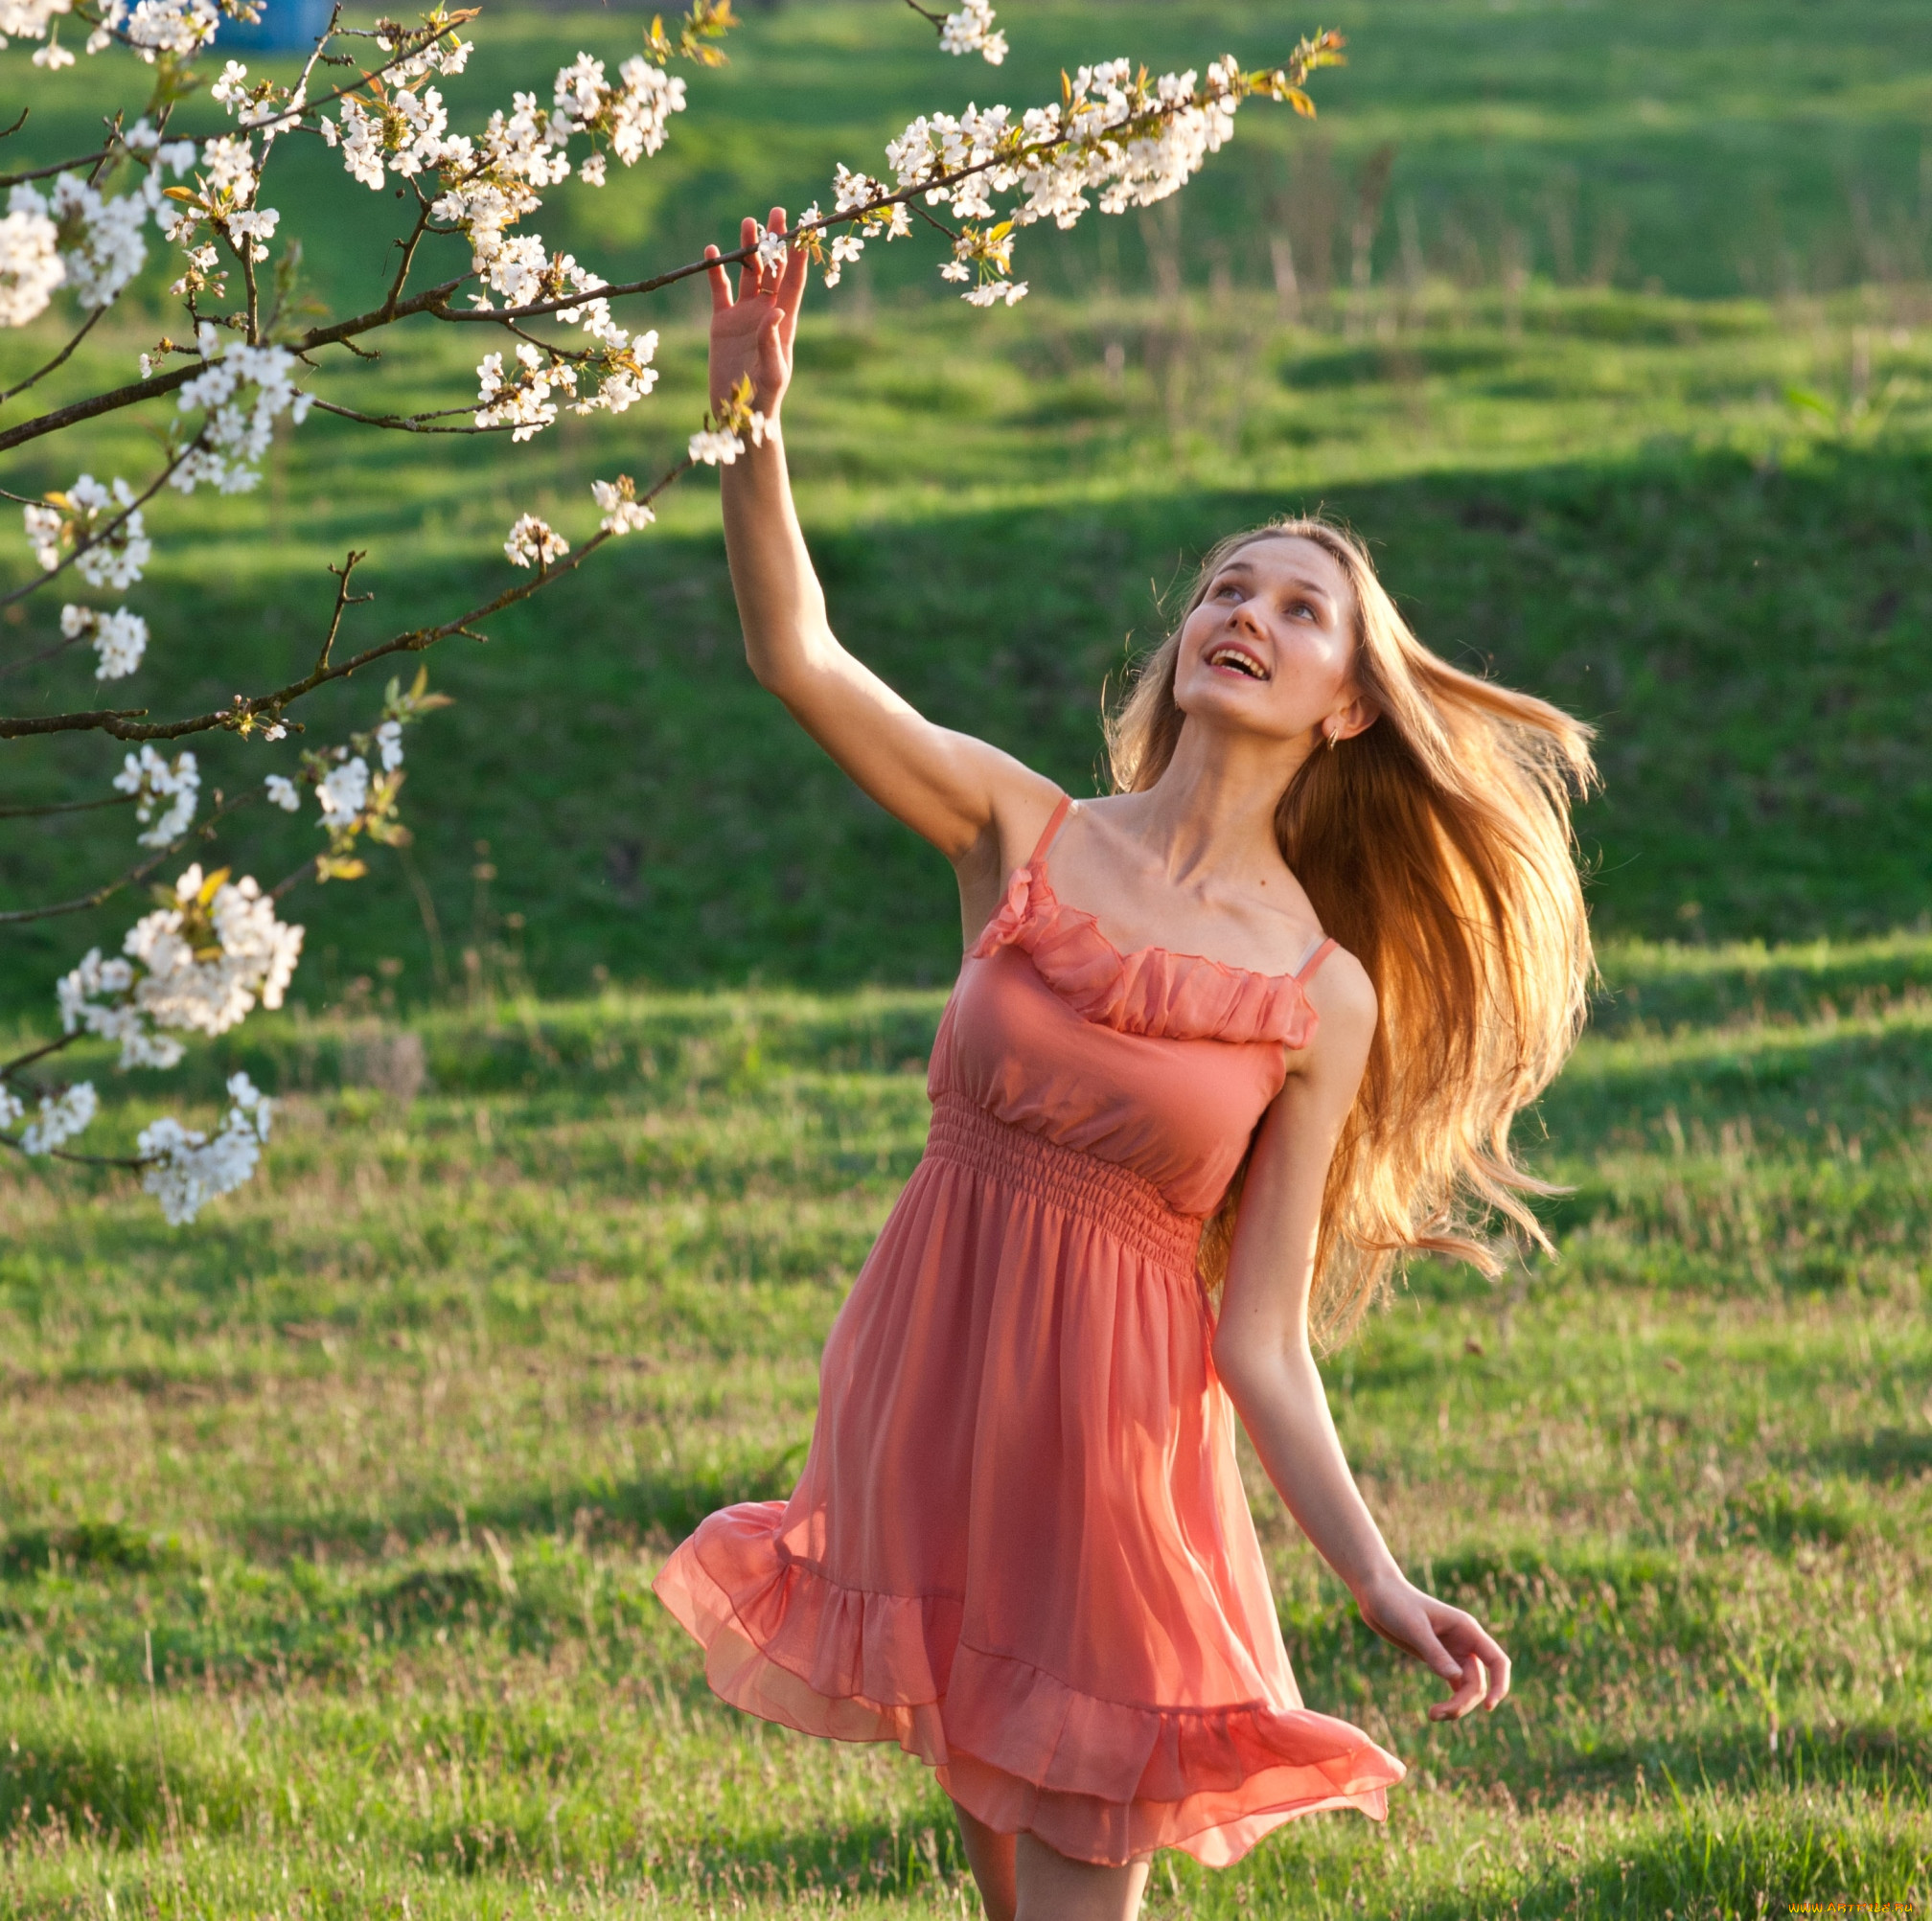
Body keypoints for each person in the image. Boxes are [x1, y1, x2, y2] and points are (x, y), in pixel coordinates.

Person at [655, 209, 1597, 1921]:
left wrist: (1377, 1581)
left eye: (1298, 609)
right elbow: (799, 658)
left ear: (1347, 705)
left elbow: (1262, 1337)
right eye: (1225, 588)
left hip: (1110, 1467)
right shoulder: (1024, 829)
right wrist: (753, 425)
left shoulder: (1322, 992)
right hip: (933, 1412)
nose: (1246, 612)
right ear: (1181, 645)